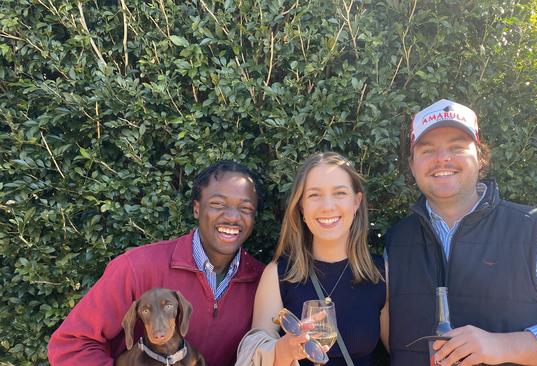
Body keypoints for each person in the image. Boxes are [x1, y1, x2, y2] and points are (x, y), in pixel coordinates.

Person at [385, 99, 537, 365]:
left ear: (481, 159)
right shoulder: (397, 240)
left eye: (457, 147)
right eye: (427, 150)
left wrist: (501, 345)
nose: (442, 158)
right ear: (413, 166)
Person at [48, 160, 265, 366]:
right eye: (218, 204)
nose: (232, 217)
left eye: (245, 208)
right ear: (197, 208)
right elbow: (71, 345)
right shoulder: (137, 268)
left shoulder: (263, 284)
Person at [236, 152, 388, 366]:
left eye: (340, 193)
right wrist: (283, 350)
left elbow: (403, 353)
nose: (327, 206)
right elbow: (255, 353)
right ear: (301, 207)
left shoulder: (381, 273)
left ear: (356, 201)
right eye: (314, 195)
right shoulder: (278, 275)